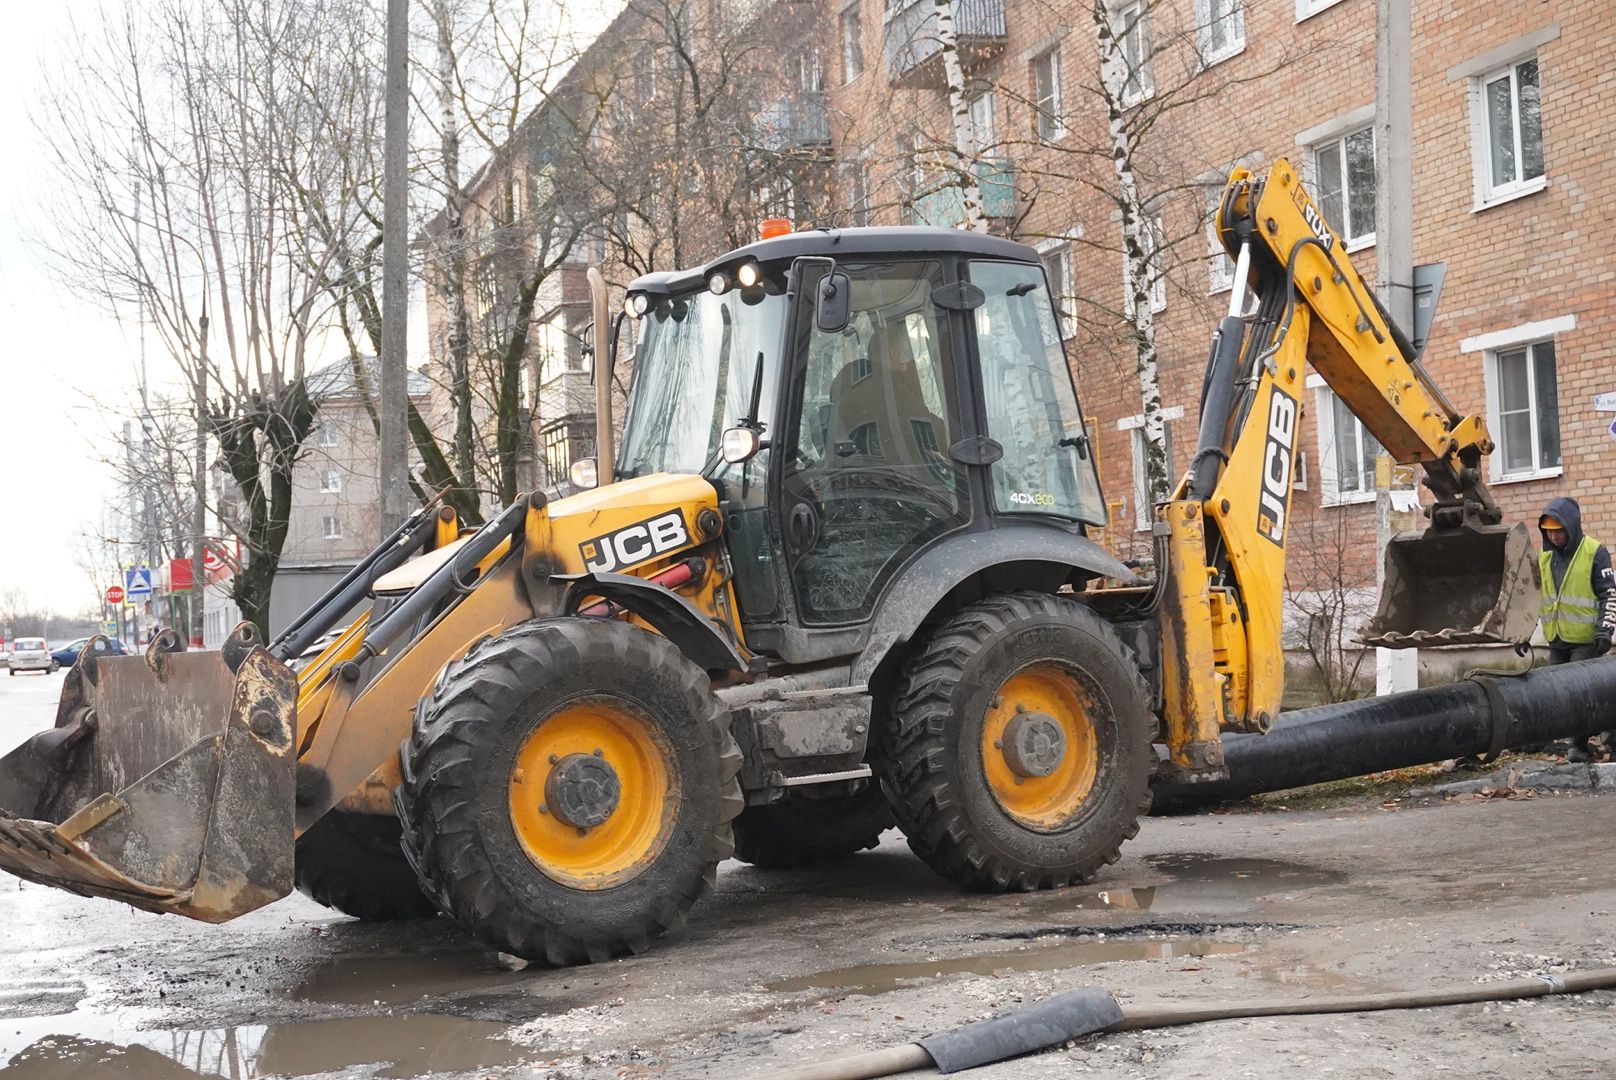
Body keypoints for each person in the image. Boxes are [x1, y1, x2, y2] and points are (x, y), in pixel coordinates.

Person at [1537, 496, 1616, 760]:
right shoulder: (1545, 557)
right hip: (1557, 638)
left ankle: (1578, 747)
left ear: (1571, 527)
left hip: (1586, 640)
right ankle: (1600, 738)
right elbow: (1533, 594)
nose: (1555, 536)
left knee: (1581, 694)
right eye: (1550, 531)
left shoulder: (1595, 552)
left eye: (1559, 531)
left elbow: (1610, 595)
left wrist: (1605, 631)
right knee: (1558, 695)